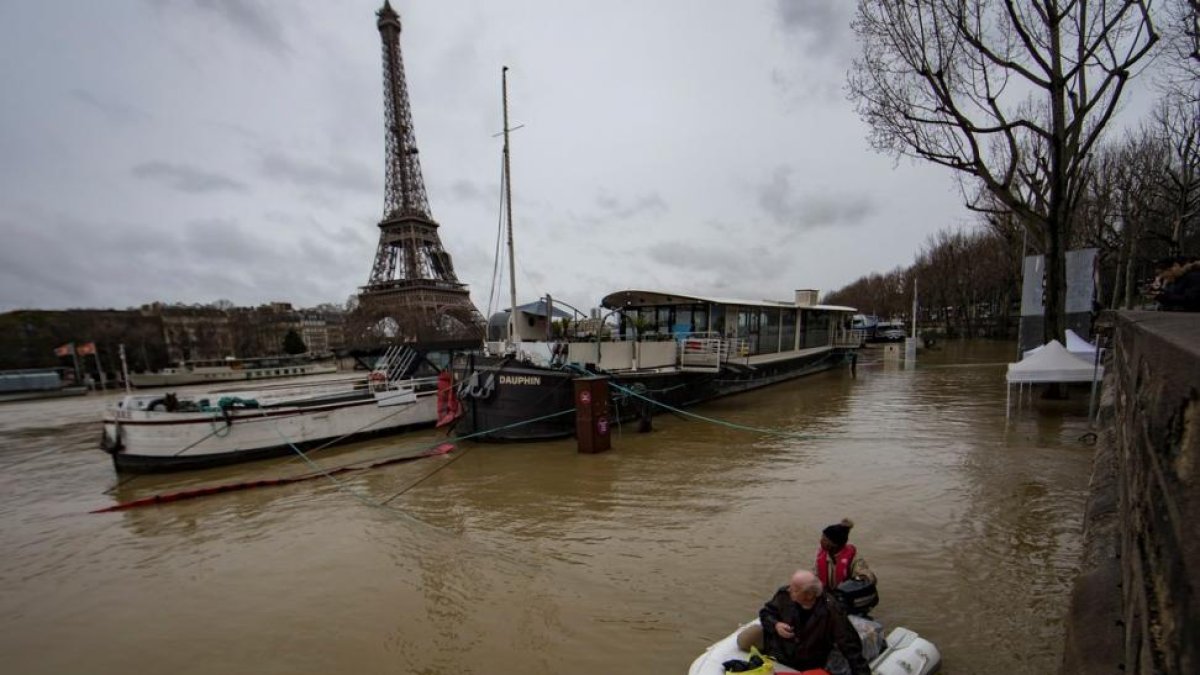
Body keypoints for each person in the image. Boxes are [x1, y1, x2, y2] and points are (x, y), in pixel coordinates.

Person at [736, 570, 870, 675]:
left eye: (794, 589)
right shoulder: (784, 595)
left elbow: (851, 647)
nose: (789, 590)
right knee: (745, 639)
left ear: (809, 595)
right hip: (779, 646)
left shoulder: (832, 611)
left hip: (807, 658)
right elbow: (766, 613)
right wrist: (776, 625)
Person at [815, 518, 875, 590]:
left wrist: (861, 579)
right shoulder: (822, 555)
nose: (821, 541)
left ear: (834, 544)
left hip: (845, 597)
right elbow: (815, 574)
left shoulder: (855, 559)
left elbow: (869, 577)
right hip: (828, 596)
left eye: (825, 539)